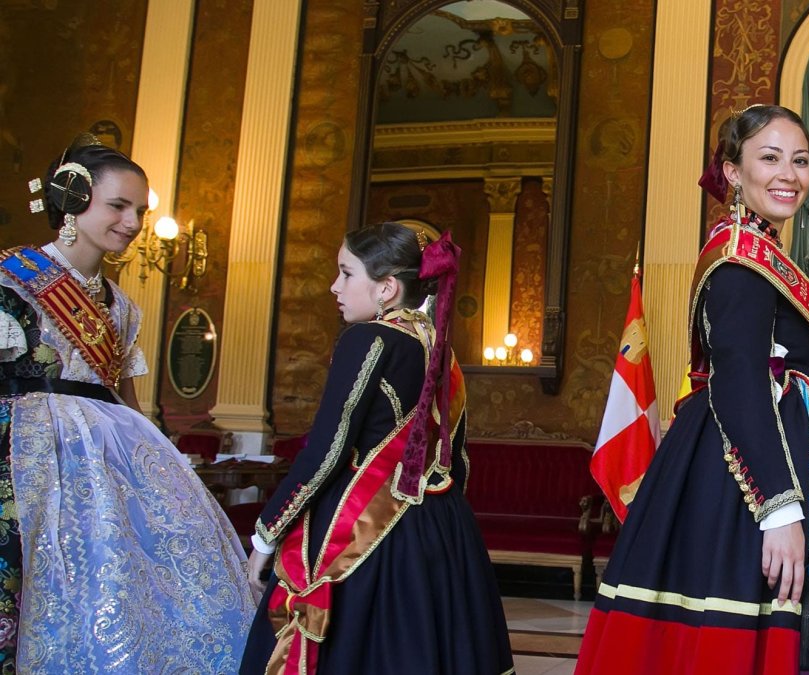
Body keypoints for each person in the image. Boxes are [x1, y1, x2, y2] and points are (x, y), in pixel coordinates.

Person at [575, 105, 809, 674]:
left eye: (799, 161)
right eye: (769, 158)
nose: (788, 174)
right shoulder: (741, 262)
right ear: (733, 171)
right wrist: (779, 510)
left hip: (747, 463)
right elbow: (740, 379)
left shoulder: (754, 251)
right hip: (747, 480)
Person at [0, 135, 255, 673]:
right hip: (30, 457)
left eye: (141, 209)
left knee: (123, 579)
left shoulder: (122, 305)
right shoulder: (12, 279)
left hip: (112, 460)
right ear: (73, 200)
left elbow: (126, 400)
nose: (134, 222)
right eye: (119, 206)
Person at [239, 222, 513, 674]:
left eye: (346, 273)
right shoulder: (439, 348)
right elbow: (456, 459)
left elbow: (327, 451)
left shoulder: (368, 339)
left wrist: (266, 534)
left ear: (387, 288)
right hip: (440, 530)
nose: (335, 286)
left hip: (369, 536)